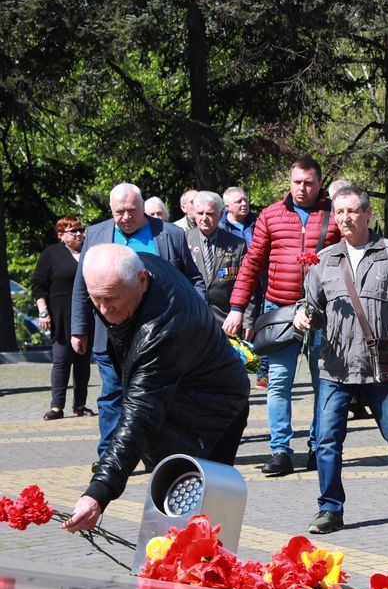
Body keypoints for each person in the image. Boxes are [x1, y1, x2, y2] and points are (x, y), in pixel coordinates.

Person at [62, 245, 249, 533]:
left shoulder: (162, 331)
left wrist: (99, 492)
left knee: (195, 518)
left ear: (142, 280)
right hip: (178, 399)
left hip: (212, 413)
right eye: (95, 299)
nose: (103, 309)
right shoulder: (131, 268)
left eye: (111, 300)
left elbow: (140, 414)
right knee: (171, 516)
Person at [294, 186, 388, 535]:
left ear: (368, 213)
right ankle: (330, 508)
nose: (345, 219)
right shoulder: (325, 259)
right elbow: (309, 305)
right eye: (339, 212)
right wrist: (302, 316)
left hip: (379, 366)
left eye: (353, 211)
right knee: (326, 439)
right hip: (335, 366)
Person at [223, 156, 341, 477]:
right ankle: (280, 451)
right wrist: (237, 307)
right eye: (296, 182)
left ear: (319, 184)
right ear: (289, 183)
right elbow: (251, 263)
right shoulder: (271, 216)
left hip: (323, 313)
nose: (301, 189)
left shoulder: (334, 216)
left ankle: (319, 447)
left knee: (325, 385)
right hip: (279, 310)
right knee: (278, 384)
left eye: (308, 183)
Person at [71, 183, 204, 464]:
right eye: (120, 211)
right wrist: (78, 329)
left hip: (160, 332)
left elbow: (193, 280)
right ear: (111, 210)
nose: (126, 216)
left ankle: (160, 452)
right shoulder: (96, 234)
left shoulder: (170, 234)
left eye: (132, 210)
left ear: (143, 207)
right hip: (109, 334)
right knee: (112, 395)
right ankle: (110, 456)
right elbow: (82, 286)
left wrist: (197, 314)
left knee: (158, 394)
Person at [32, 217, 92, 420]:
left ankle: (80, 405)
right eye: (72, 231)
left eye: (80, 230)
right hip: (60, 314)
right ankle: (57, 406)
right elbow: (38, 284)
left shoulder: (88, 252)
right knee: (62, 360)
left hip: (85, 313)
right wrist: (43, 311)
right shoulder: (52, 254)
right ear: (61, 235)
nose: (78, 234)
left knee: (83, 362)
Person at [187, 191, 250, 322]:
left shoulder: (237, 244)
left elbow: (248, 282)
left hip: (226, 319)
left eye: (209, 213)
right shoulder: (183, 240)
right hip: (192, 318)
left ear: (220, 214)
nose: (204, 218)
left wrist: (247, 321)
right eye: (200, 213)